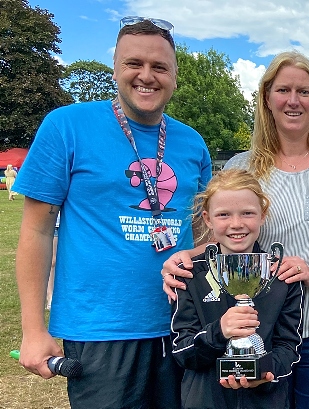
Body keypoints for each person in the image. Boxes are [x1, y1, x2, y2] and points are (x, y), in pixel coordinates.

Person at [13, 17, 212, 409]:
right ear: (115, 69)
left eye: (159, 67)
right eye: (134, 63)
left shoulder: (192, 143)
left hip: (184, 324)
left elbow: (202, 231)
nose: (146, 76)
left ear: (174, 76)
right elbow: (36, 232)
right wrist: (33, 330)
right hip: (102, 328)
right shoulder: (67, 126)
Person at [162, 51, 309, 409]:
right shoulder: (241, 165)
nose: (293, 100)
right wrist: (186, 257)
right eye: (283, 90)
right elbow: (229, 233)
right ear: (266, 97)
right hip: (259, 327)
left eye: (304, 91)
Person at [170, 169, 302, 409]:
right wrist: (219, 331)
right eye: (223, 215)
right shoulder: (190, 275)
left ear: (263, 215)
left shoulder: (282, 275)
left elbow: (288, 348)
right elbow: (182, 352)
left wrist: (264, 373)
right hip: (205, 401)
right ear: (208, 219)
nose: (236, 224)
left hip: (266, 401)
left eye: (247, 213)